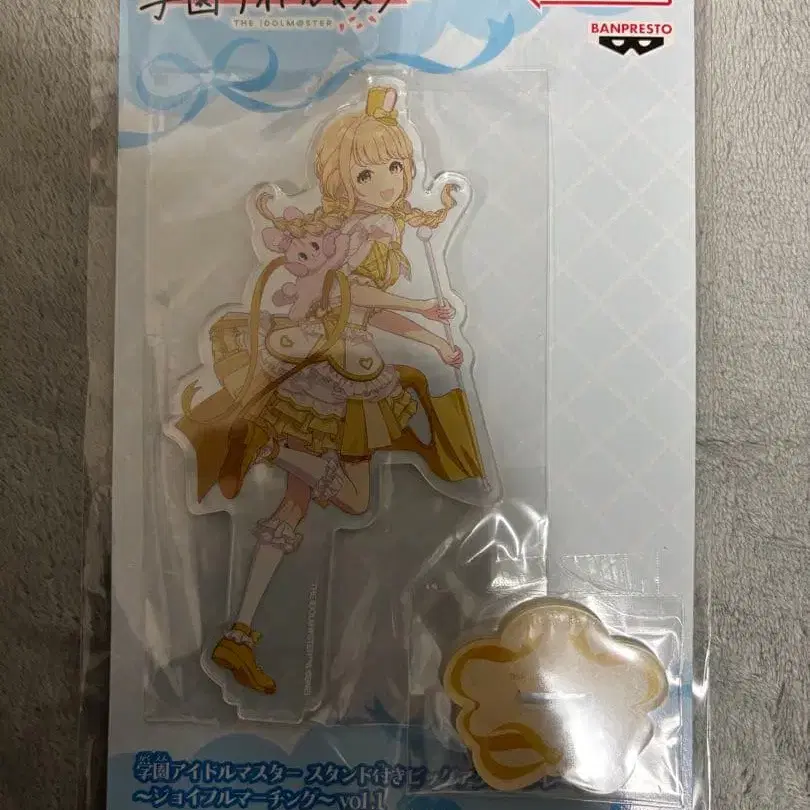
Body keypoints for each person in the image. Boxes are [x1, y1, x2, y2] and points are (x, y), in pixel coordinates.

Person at [177, 86, 484, 694]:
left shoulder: (381, 230)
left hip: (345, 360)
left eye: (395, 167)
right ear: (343, 179)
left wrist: (430, 336)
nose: (387, 183)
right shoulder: (354, 230)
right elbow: (352, 295)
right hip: (331, 370)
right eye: (368, 173)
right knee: (350, 495)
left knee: (294, 508)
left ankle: (238, 634)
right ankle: (268, 445)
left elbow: (370, 311)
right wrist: (421, 309)